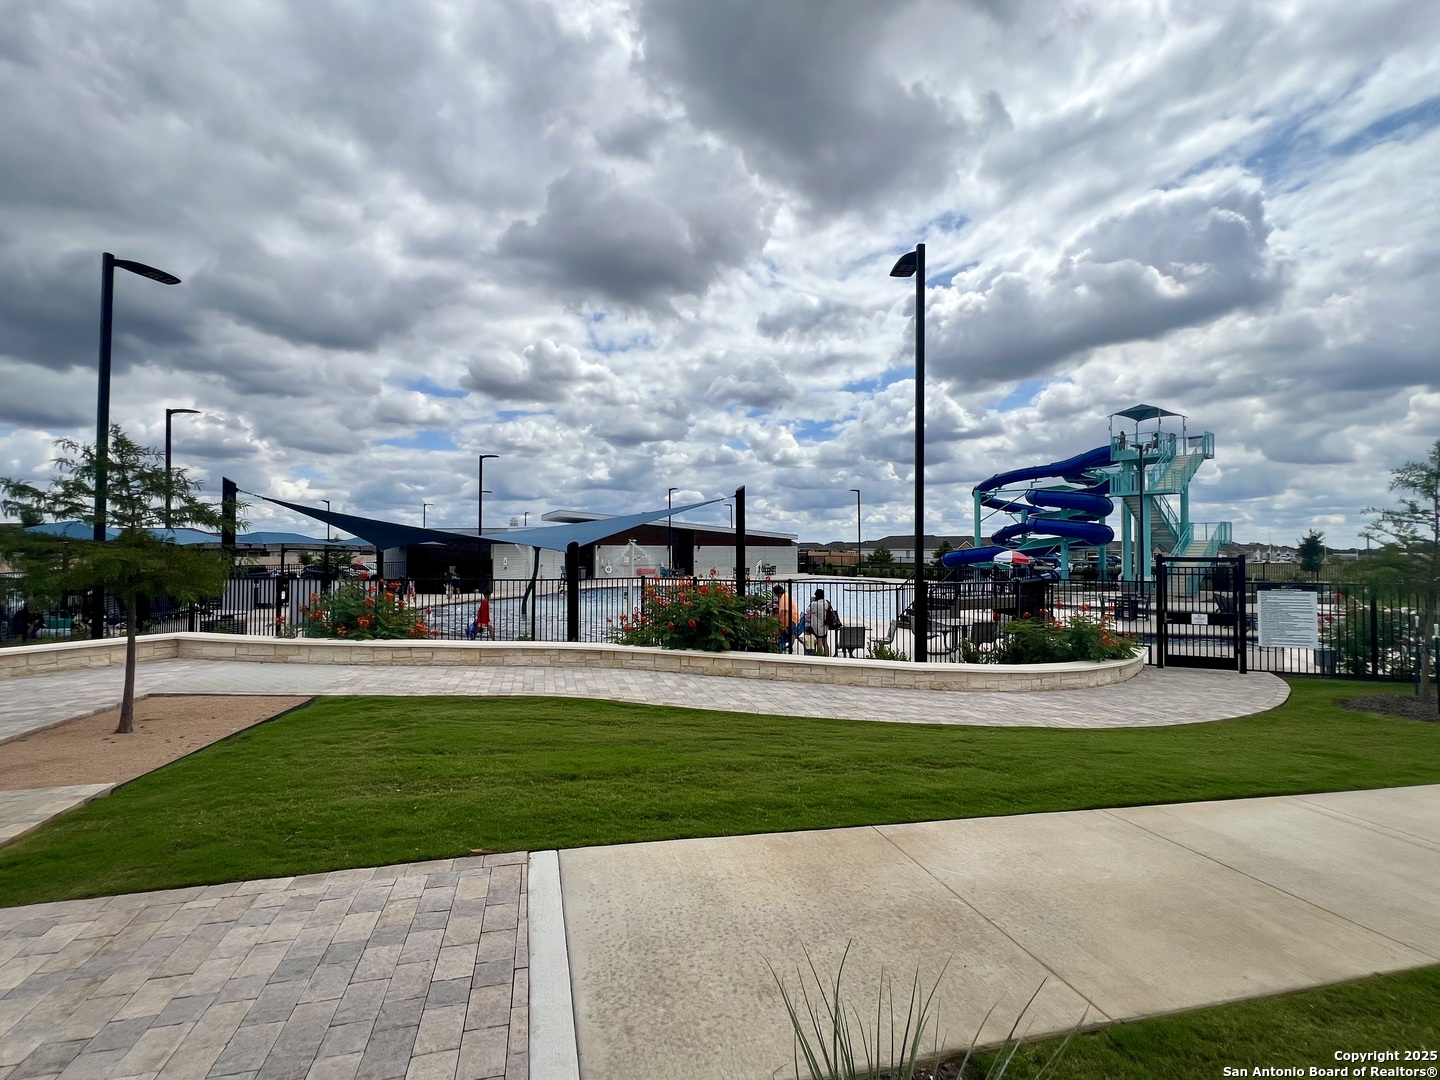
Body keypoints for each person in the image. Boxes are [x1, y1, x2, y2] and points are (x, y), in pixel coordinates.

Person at [807, 588, 835, 657]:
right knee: (825, 642)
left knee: (818, 641)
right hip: (825, 625)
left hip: (817, 626)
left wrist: (811, 602)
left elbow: (808, 610)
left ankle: (820, 656)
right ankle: (826, 655)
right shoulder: (826, 602)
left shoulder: (814, 604)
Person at [772, 584, 796, 651]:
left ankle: (790, 647)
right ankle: (788, 646)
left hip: (791, 618)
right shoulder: (785, 596)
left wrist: (775, 619)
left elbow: (782, 612)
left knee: (791, 632)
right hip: (789, 618)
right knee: (790, 632)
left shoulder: (784, 598)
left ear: (778, 593)